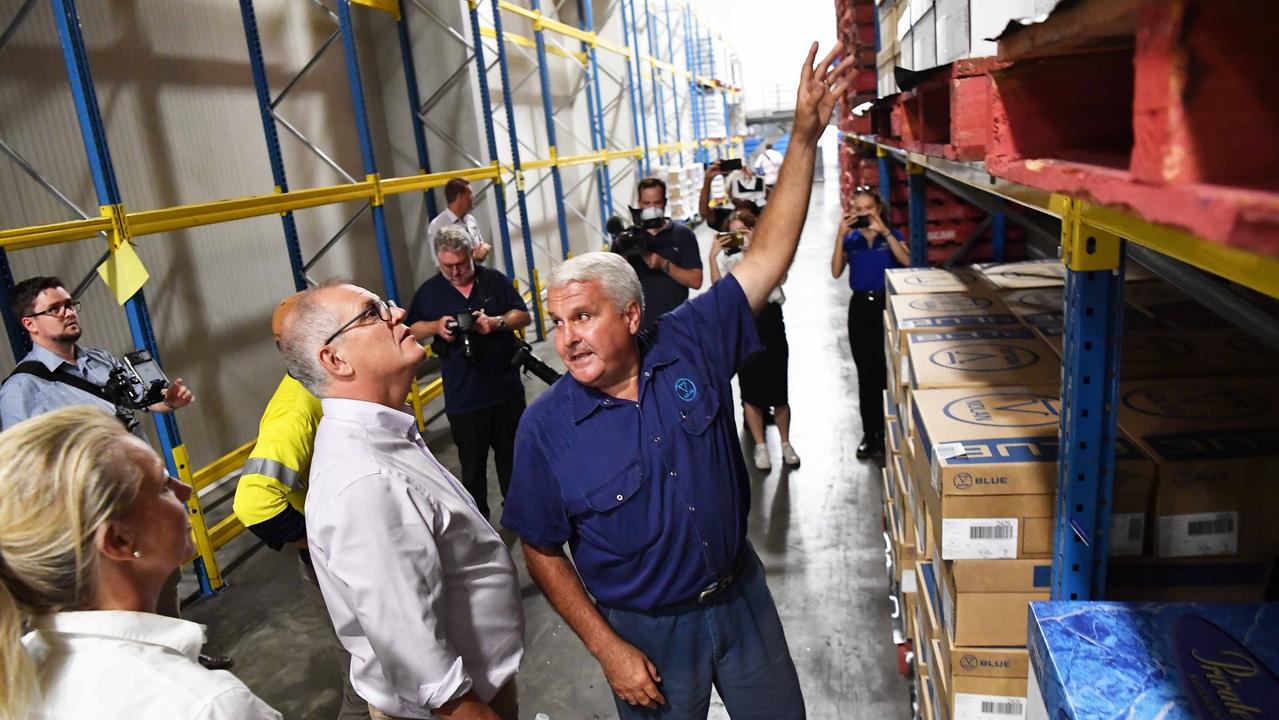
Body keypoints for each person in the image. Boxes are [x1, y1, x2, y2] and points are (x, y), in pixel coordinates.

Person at [501, 42, 851, 719]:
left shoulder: (689, 343)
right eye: (557, 321)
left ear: (631, 315)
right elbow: (540, 550)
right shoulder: (545, 430)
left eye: (583, 316)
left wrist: (804, 138)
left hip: (739, 596)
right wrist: (608, 649)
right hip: (645, 632)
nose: (566, 336)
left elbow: (769, 257)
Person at [280, 281, 524, 720]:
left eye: (385, 303)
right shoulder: (365, 481)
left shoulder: (387, 438)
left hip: (481, 685)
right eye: (371, 312)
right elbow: (429, 675)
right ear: (335, 359)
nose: (396, 313)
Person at [0, 276, 230, 670]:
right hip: (99, 517)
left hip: (142, 497)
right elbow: (22, 470)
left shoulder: (99, 360)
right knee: (122, 602)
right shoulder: (22, 391)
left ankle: (179, 655)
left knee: (163, 578)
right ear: (30, 324)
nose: (68, 313)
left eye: (70, 304)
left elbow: (136, 404)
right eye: (55, 309)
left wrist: (166, 404)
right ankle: (149, 672)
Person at [0, 406, 280, 719]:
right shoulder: (208, 706)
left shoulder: (24, 666)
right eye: (162, 487)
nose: (185, 490)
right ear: (119, 541)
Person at [231, 294, 371, 720]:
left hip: (360, 550)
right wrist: (318, 540)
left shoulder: (334, 387)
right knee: (366, 681)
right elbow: (254, 500)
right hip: (337, 561)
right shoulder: (297, 406)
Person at [407, 225, 532, 520]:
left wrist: (496, 322)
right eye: (447, 266)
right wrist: (435, 326)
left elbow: (522, 314)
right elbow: (412, 328)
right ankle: (481, 524)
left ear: (471, 255)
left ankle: (521, 517)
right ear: (438, 261)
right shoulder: (430, 293)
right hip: (465, 400)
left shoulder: (493, 282)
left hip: (505, 392)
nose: (456, 271)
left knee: (514, 462)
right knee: (472, 468)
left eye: (462, 263)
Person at [708, 210, 800, 471]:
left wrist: (754, 247)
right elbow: (719, 292)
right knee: (750, 390)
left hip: (771, 321)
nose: (738, 237)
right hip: (743, 323)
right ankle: (761, 446)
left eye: (743, 231)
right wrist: (712, 256)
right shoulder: (728, 259)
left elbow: (780, 278)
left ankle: (785, 443)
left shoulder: (767, 254)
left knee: (779, 388)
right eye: (733, 232)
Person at [830, 186, 910, 459]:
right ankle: (870, 434)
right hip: (861, 308)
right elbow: (836, 271)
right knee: (866, 374)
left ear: (879, 210)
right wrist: (840, 236)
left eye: (869, 209)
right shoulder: (851, 240)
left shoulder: (893, 236)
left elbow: (909, 262)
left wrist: (884, 231)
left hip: (888, 305)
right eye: (858, 209)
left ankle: (891, 432)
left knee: (888, 372)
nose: (863, 214)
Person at [614, 177, 704, 331]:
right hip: (639, 328)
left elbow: (696, 281)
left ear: (665, 202)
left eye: (657, 203)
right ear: (639, 203)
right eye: (646, 204)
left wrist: (664, 264)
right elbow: (613, 283)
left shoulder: (682, 234)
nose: (651, 208)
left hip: (676, 323)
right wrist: (624, 252)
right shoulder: (628, 239)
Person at [425, 178, 493, 263]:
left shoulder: (471, 220)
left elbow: (480, 246)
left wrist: (483, 248)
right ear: (460, 196)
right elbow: (439, 262)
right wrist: (472, 257)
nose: (473, 198)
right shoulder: (437, 225)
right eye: (470, 194)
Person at [698, 161, 765, 233]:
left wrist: (758, 183)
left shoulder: (764, 213)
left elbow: (777, 204)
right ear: (730, 194)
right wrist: (708, 179)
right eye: (738, 187)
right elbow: (704, 213)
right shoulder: (725, 216)